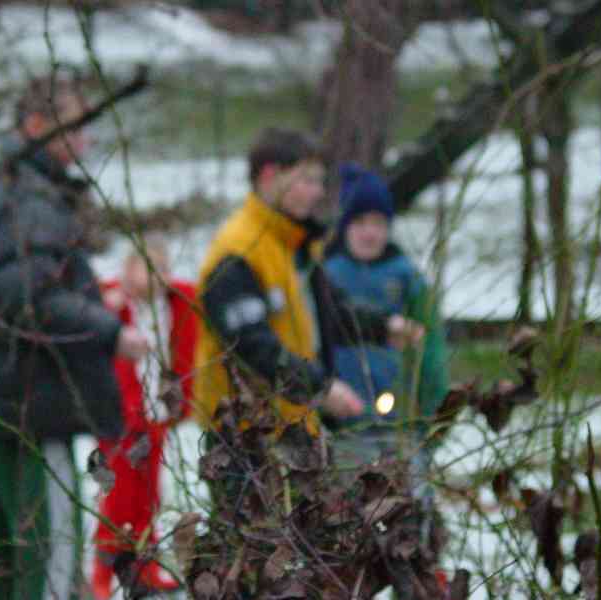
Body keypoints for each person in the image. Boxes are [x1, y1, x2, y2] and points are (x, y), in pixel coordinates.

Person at [0, 76, 148, 600]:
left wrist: (85, 301)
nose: (85, 142)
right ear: (37, 126)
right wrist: (109, 330)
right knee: (49, 554)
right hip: (29, 404)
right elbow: (30, 300)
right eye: (76, 127)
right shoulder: (30, 199)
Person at [193, 128, 420, 448]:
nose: (317, 192)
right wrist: (319, 388)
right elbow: (252, 346)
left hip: (295, 426)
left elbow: (328, 312)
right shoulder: (237, 252)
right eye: (308, 180)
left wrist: (382, 327)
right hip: (246, 437)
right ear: (270, 176)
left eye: (320, 182)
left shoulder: (296, 244)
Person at [323, 163, 450, 562]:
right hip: (345, 425)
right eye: (360, 221)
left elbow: (431, 352)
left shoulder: (408, 279)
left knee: (412, 516)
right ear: (345, 225)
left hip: (402, 425)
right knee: (346, 518)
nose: (369, 231)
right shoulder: (327, 274)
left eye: (378, 221)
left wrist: (433, 409)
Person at [90, 237, 198, 600]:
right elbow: (90, 301)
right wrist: (112, 295)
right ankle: (104, 572)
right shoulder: (116, 307)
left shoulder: (174, 303)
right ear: (128, 270)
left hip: (156, 416)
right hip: (119, 419)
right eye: (149, 267)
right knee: (119, 496)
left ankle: (144, 566)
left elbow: (192, 297)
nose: (158, 277)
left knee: (151, 496)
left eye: (164, 268)